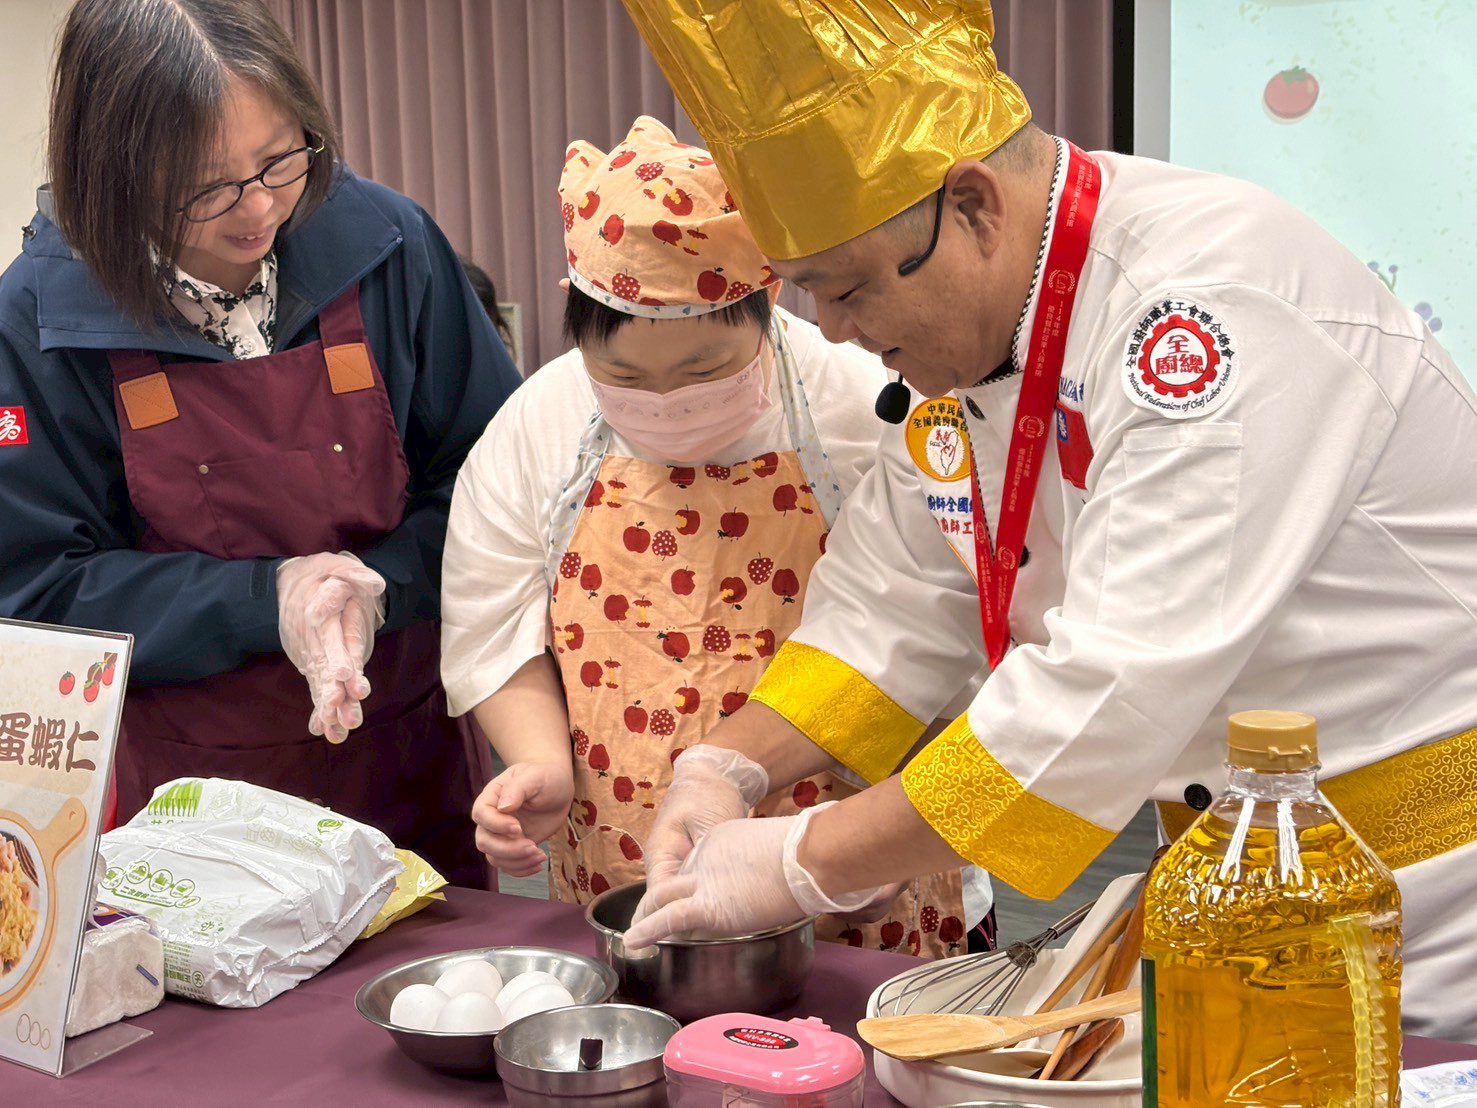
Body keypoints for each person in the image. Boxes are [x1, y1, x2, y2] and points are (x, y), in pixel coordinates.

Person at [616, 0, 1477, 1037]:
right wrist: (725, 766)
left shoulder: (1201, 309)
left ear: (971, 206)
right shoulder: (966, 337)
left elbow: (1115, 678)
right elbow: (887, 607)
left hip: (1422, 892)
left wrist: (808, 861)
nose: (837, 332)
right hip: (1230, 870)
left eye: (842, 291)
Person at [441, 117, 990, 957]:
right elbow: (490, 624)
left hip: (848, 840)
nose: (667, 400)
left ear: (765, 306)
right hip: (624, 840)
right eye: (623, 375)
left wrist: (859, 838)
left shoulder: (860, 400)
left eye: (703, 371)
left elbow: (931, 622)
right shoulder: (536, 427)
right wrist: (539, 765)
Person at [0, 0, 519, 887]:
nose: (261, 208)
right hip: (197, 801)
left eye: (280, 157)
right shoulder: (36, 322)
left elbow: (497, 485)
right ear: (111, 176)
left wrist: (374, 589)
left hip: (408, 751)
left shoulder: (386, 243)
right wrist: (264, 597)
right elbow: (34, 590)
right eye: (205, 187)